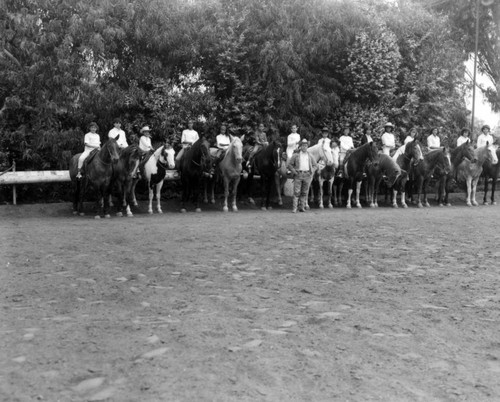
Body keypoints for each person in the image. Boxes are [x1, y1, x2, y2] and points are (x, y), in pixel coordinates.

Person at [287, 139, 318, 213]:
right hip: (298, 174)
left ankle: (302, 207)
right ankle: (294, 207)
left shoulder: (310, 155)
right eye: (303, 146)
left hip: (307, 175)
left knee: (304, 192)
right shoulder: (296, 155)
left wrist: (311, 171)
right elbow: (290, 165)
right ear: (300, 146)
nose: (304, 147)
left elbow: (315, 165)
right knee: (297, 192)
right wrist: (294, 171)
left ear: (307, 147)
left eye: (306, 146)